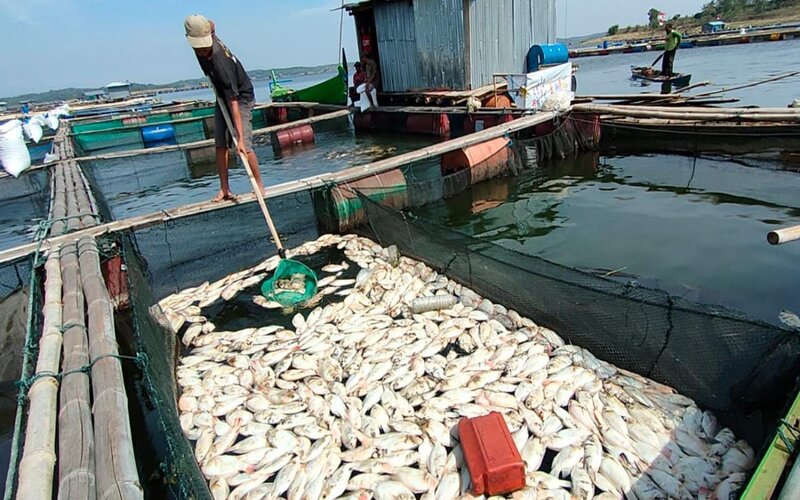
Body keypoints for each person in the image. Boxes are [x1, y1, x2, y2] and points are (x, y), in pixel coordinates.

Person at [184, 14, 264, 202]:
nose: (202, 52)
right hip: (222, 96)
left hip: (240, 98)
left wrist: (240, 140)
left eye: (205, 49)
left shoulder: (221, 64)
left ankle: (259, 184)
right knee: (220, 144)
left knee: (245, 146)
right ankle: (225, 188)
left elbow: (234, 104)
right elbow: (211, 23)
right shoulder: (204, 36)